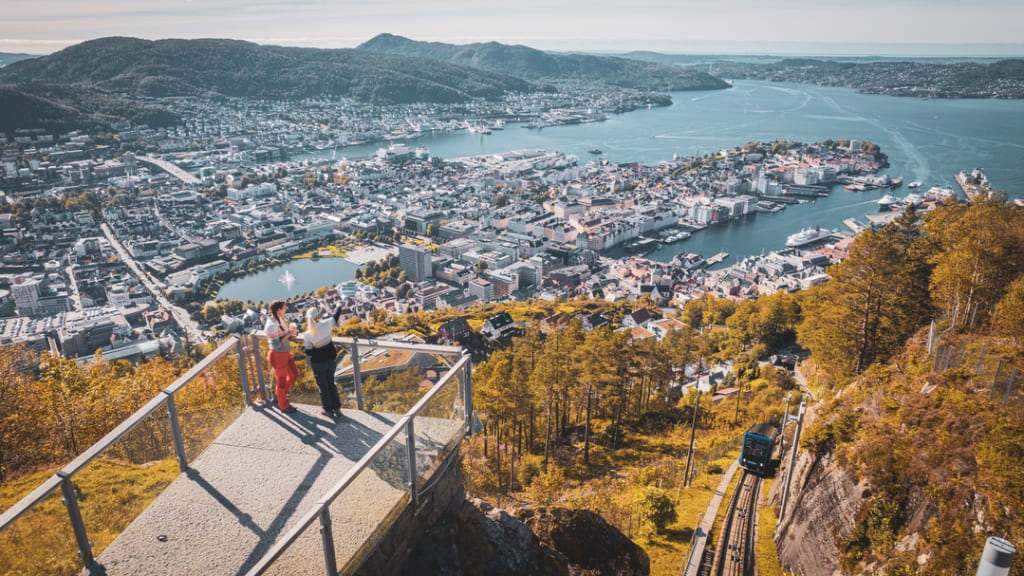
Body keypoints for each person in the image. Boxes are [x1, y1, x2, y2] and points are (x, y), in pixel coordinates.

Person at [301, 304, 344, 418]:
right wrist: (338, 306)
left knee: (323, 387)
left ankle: (328, 410)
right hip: (330, 360)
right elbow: (335, 316)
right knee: (331, 384)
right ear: (319, 316)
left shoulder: (307, 335)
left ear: (307, 319)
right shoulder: (326, 324)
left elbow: (309, 352)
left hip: (318, 364)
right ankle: (337, 409)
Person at [264, 300, 299, 414]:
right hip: (278, 355)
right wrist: (289, 333)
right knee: (282, 382)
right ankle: (283, 406)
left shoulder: (279, 319)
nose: (286, 310)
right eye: (284, 308)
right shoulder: (271, 325)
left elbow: (283, 336)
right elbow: (277, 344)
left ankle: (279, 395)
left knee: (294, 375)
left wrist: (291, 332)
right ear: (278, 310)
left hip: (285, 353)